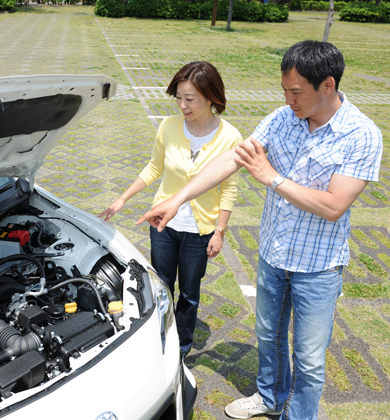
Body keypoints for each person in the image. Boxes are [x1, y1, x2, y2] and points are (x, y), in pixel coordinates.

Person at [136, 41, 383, 420]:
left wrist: (272, 177)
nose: (288, 99)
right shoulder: (282, 118)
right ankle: (268, 397)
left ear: (328, 85)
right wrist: (178, 198)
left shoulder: (361, 135)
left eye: (296, 91)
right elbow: (231, 160)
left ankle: (298, 415)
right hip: (272, 253)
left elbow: (334, 206)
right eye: (285, 89)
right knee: (268, 336)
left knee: (310, 358)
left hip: (317, 266)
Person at [99, 61, 243, 358]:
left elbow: (229, 188)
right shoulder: (169, 125)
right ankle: (158, 336)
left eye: (190, 99)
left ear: (211, 97)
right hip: (163, 224)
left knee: (189, 293)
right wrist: (122, 199)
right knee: (160, 286)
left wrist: (220, 231)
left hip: (200, 231)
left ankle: (181, 345)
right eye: (178, 97)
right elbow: (154, 167)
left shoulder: (230, 137)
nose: (182, 105)